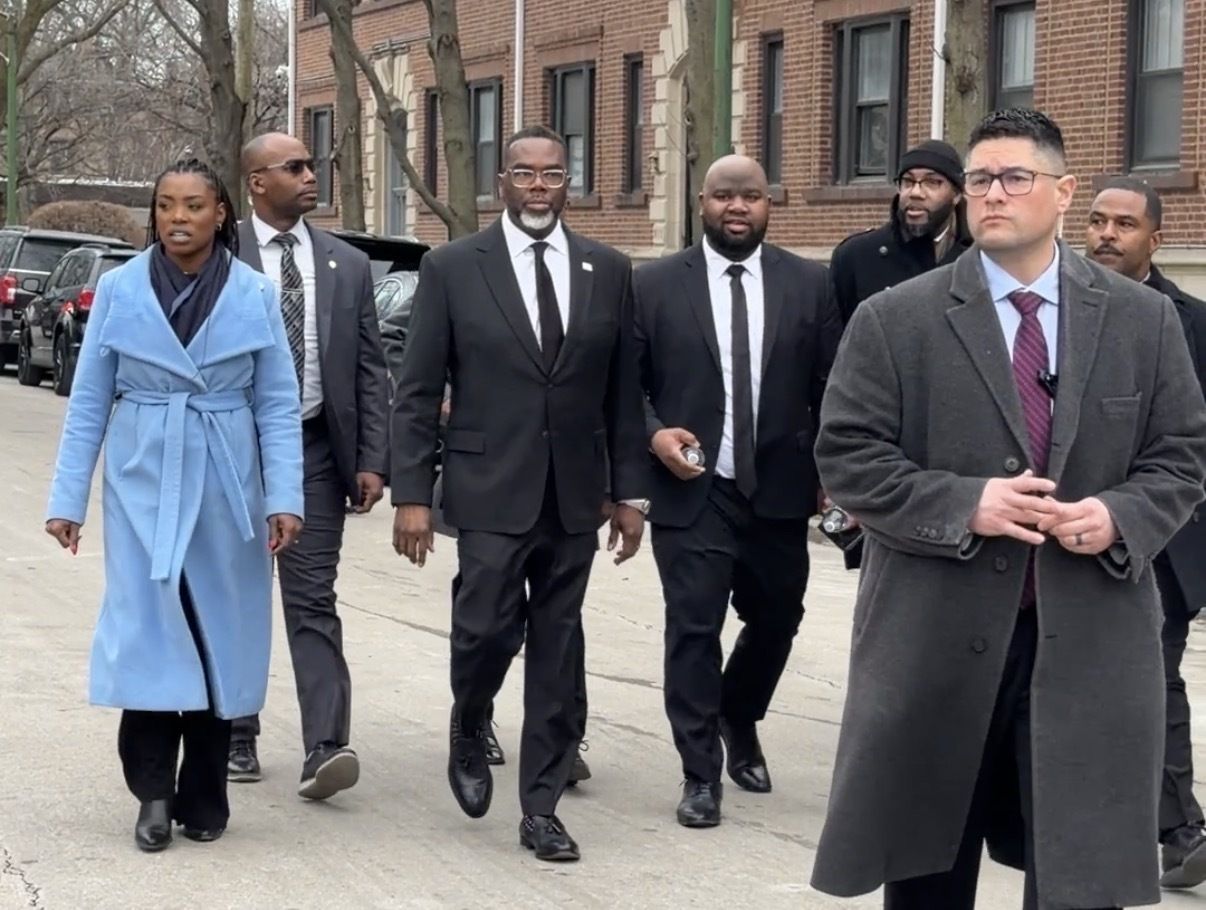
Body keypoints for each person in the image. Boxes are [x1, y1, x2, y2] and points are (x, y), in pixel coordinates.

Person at [809, 107, 1206, 909]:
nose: (993, 194)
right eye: (981, 179)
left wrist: (1120, 516)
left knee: (1080, 875)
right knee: (926, 866)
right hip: (933, 635)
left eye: (1015, 177)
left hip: (1088, 634)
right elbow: (847, 456)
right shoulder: (896, 318)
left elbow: (1181, 455)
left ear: (1063, 191)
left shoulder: (1144, 320)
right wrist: (966, 503)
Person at [390, 124, 648, 862]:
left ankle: (541, 807)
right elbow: (417, 391)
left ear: (570, 181)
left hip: (574, 495)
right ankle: (471, 716)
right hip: (487, 486)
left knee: (557, 649)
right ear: (500, 182)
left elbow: (623, 395)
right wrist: (413, 493)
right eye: (524, 173)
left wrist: (630, 495)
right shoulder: (452, 267)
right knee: (484, 632)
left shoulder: (608, 269)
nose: (539, 185)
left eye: (553, 173)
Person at [44, 157, 304, 852]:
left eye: (193, 205)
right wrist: (68, 500)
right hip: (143, 477)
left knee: (218, 636)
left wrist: (284, 497)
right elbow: (89, 399)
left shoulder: (253, 292)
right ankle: (153, 794)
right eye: (165, 205)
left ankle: (205, 795)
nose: (178, 218)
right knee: (150, 634)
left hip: (227, 482)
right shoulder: (121, 288)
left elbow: (278, 404)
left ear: (221, 213)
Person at [633, 155, 841, 828]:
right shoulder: (655, 284)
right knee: (693, 628)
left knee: (778, 616)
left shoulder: (810, 284)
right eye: (724, 195)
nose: (737, 207)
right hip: (692, 488)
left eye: (750, 195)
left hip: (779, 486)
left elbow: (833, 387)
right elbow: (625, 384)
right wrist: (654, 435)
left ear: (768, 203)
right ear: (702, 202)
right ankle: (700, 774)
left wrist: (834, 476)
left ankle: (738, 714)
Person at [227, 133, 390, 801]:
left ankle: (325, 745)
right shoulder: (220, 251)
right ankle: (235, 730)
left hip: (315, 451)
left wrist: (373, 458)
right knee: (236, 595)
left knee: (313, 597)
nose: (310, 174)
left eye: (311, 164)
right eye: (294, 167)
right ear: (256, 181)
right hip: (232, 451)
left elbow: (370, 367)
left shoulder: (346, 264)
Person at [1084, 176, 1206, 890]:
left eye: (1124, 225)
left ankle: (1181, 830)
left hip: (1159, 538)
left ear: (1154, 240)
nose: (1106, 234)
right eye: (1098, 220)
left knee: (1152, 675)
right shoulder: (1055, 310)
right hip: (1062, 529)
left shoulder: (1192, 324)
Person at [829, 138, 972, 325]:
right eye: (908, 181)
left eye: (931, 182)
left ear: (957, 194)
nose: (916, 192)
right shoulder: (855, 256)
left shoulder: (980, 256)